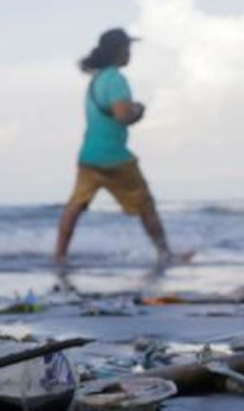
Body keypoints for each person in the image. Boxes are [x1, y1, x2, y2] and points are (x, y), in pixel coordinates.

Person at [55, 28, 185, 265]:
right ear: (119, 51)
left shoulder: (96, 80)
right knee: (146, 205)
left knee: (75, 206)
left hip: (88, 156)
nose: (130, 54)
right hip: (114, 157)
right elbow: (122, 114)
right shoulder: (116, 79)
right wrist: (138, 110)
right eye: (128, 49)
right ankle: (165, 254)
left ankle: (59, 256)